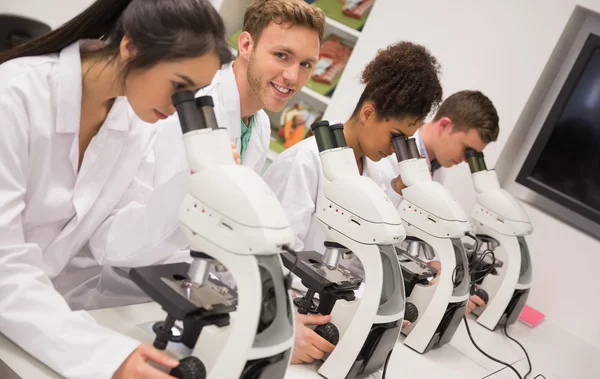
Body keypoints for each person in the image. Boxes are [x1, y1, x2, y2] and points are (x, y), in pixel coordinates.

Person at [0, 0, 233, 378]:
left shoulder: (134, 123)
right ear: (131, 47)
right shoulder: (15, 95)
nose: (180, 106)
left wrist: (189, 187)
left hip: (34, 319)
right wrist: (105, 356)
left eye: (193, 94)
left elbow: (110, 242)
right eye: (179, 87)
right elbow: (3, 262)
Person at [262, 41, 444, 364]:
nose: (396, 149)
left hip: (332, 323)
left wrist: (376, 306)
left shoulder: (375, 172)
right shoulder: (304, 163)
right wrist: (283, 330)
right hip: (292, 324)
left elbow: (361, 262)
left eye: (406, 140)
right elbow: (269, 267)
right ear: (368, 112)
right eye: (395, 135)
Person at [158, 0, 326, 173]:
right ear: (246, 45)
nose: (293, 76)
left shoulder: (261, 125)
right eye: (282, 55)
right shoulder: (194, 106)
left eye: (305, 64)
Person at [383, 90, 500, 314]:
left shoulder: (436, 169)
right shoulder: (391, 154)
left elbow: (415, 235)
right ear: (445, 125)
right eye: (467, 150)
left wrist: (438, 272)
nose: (467, 160)